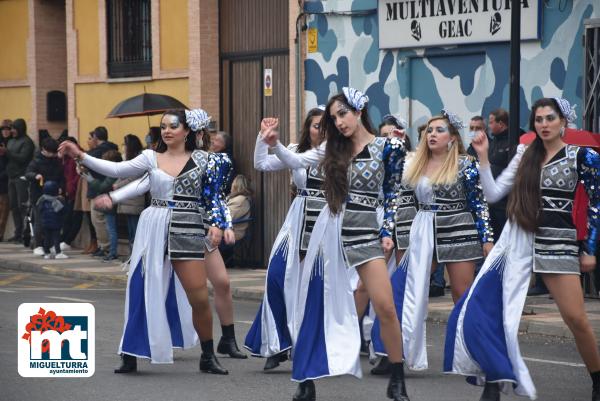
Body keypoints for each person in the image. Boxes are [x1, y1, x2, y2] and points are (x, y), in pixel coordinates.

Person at [445, 98, 600, 401]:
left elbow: (597, 203)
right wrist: (485, 158)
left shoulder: (582, 157)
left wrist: (590, 248)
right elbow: (492, 192)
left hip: (558, 244)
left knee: (576, 320)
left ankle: (597, 379)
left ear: (563, 122)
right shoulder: (524, 155)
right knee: (490, 311)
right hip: (517, 242)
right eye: (539, 119)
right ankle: (494, 381)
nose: (544, 124)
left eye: (550, 118)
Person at [59, 108, 234, 375]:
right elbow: (117, 168)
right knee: (141, 289)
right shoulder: (150, 157)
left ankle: (207, 356)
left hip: (188, 227)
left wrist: (220, 225)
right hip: (153, 225)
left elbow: (214, 198)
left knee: (199, 297)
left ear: (187, 131)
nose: (166, 130)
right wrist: (81, 154)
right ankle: (130, 353)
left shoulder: (207, 160)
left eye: (173, 126)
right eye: (163, 126)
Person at [264, 88, 410, 401]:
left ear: (359, 111)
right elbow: (297, 159)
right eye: (333, 117)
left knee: (385, 305)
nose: (339, 122)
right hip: (329, 231)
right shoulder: (332, 148)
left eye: (343, 113)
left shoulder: (390, 146)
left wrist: (387, 230)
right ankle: (306, 380)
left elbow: (392, 192)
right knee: (314, 307)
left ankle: (397, 379)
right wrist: (274, 145)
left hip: (365, 233)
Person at [371, 110, 494, 374]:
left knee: (462, 295)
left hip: (459, 230)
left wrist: (487, 239)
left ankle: (474, 353)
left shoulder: (465, 164)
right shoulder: (414, 163)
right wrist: (388, 232)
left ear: (452, 138)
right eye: (429, 130)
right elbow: (395, 199)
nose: (432, 134)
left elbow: (479, 204)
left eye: (439, 130)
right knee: (402, 290)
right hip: (423, 229)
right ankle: (392, 353)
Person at [244, 106, 325, 372]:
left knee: (313, 287)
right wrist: (263, 136)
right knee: (277, 276)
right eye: (316, 125)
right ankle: (277, 343)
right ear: (307, 128)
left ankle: (310, 346)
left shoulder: (339, 154)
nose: (321, 130)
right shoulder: (294, 149)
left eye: (326, 126)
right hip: (297, 219)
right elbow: (261, 164)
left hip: (327, 221)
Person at [25, 138, 64, 255]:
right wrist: (35, 176)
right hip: (38, 196)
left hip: (54, 196)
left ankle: (52, 244)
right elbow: (28, 173)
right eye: (50, 152)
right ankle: (38, 245)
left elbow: (61, 177)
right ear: (43, 150)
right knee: (40, 221)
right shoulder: (36, 161)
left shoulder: (56, 161)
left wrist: (61, 187)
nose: (53, 154)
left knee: (55, 221)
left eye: (54, 152)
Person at [85, 127, 118, 257]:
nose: (89, 141)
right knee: (102, 221)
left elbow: (84, 162)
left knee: (98, 220)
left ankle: (105, 247)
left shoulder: (96, 152)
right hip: (103, 189)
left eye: (90, 138)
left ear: (95, 138)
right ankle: (103, 246)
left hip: (99, 189)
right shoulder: (112, 148)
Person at [112, 134, 145, 250]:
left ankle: (135, 255)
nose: (123, 146)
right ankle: (131, 254)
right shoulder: (128, 158)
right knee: (131, 231)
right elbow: (122, 174)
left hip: (135, 199)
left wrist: (118, 185)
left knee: (135, 230)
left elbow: (133, 178)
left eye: (125, 144)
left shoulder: (139, 159)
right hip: (128, 201)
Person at [6, 118, 34, 242]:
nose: (12, 131)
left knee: (22, 205)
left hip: (21, 177)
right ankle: (17, 232)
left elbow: (23, 158)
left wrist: (7, 153)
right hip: (11, 177)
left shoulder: (27, 142)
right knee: (13, 206)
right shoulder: (11, 141)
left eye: (14, 128)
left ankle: (25, 232)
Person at [59, 137, 83, 251]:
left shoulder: (77, 157)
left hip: (76, 192)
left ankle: (67, 241)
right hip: (69, 192)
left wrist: (71, 188)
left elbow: (77, 176)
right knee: (67, 218)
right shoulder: (66, 158)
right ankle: (63, 240)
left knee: (75, 217)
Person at [36, 181, 67, 259]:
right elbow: (63, 211)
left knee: (47, 238)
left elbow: (39, 209)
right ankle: (58, 252)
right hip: (56, 223)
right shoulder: (59, 200)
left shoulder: (42, 199)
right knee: (56, 238)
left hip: (45, 223)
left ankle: (47, 253)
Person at [0, 120, 12, 240]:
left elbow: (12, 163)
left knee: (4, 209)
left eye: (7, 129)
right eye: (3, 129)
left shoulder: (12, 143)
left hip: (6, 180)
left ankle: (0, 233)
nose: (5, 131)